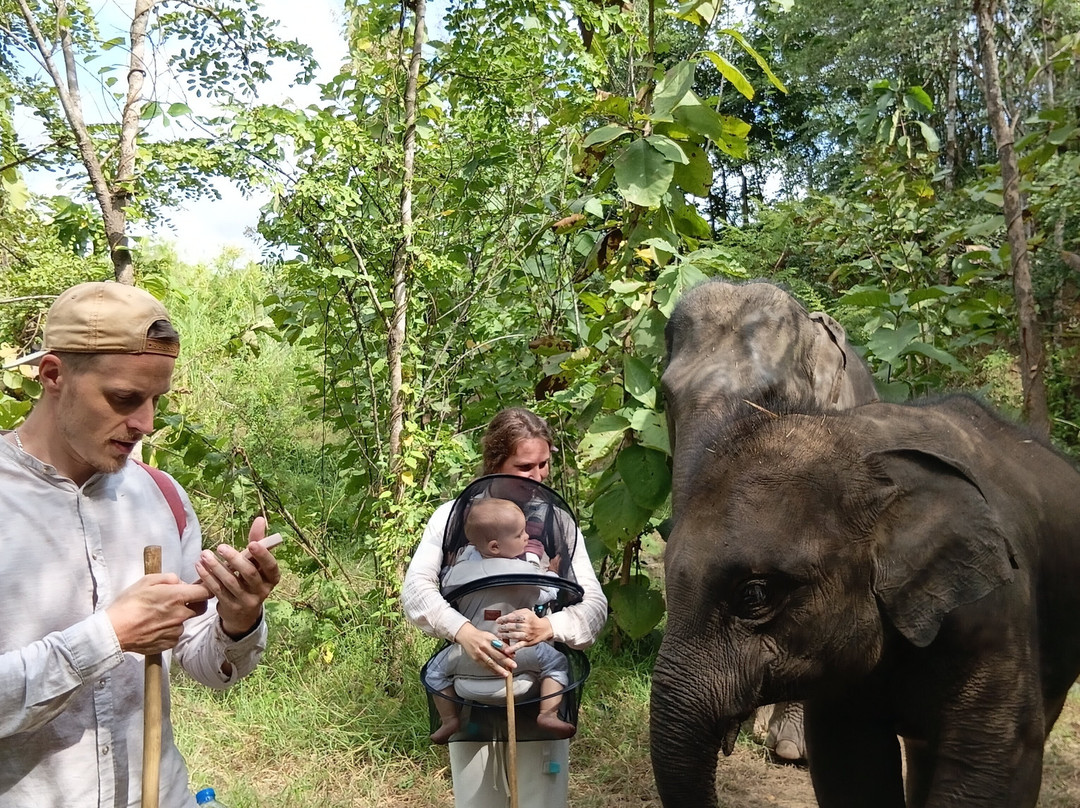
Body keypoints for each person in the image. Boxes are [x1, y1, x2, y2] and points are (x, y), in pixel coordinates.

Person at [0, 282, 281, 808]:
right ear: (53, 375)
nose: (146, 424)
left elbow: (200, 661)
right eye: (125, 398)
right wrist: (108, 636)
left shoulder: (163, 497)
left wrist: (237, 620)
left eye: (156, 400)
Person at [403, 407, 608, 732]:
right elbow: (416, 591)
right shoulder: (453, 517)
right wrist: (465, 633)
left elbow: (595, 606)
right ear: (494, 464)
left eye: (543, 464)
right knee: (472, 761)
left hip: (538, 675)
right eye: (524, 467)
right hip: (468, 670)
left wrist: (547, 626)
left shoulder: (558, 522)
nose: (538, 476)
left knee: (543, 764)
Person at [426, 498, 576, 743]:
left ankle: (449, 719)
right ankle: (548, 713)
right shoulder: (525, 572)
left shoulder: (456, 574)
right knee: (557, 663)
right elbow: (547, 593)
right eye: (520, 534)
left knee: (433, 672)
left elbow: (442, 590)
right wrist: (552, 573)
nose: (527, 537)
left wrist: (450, 565)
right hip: (519, 654)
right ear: (495, 546)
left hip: (468, 656)